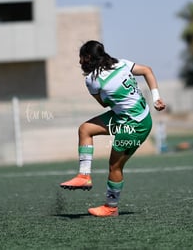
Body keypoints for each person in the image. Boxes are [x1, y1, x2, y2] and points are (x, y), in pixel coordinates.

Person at [60, 40, 166, 217]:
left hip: (134, 125)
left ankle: (111, 207)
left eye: (81, 58)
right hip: (130, 115)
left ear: (88, 58)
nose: (80, 63)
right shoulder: (121, 63)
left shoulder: (92, 80)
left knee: (114, 167)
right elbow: (147, 70)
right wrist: (156, 98)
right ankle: (84, 176)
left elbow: (103, 103)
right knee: (85, 129)